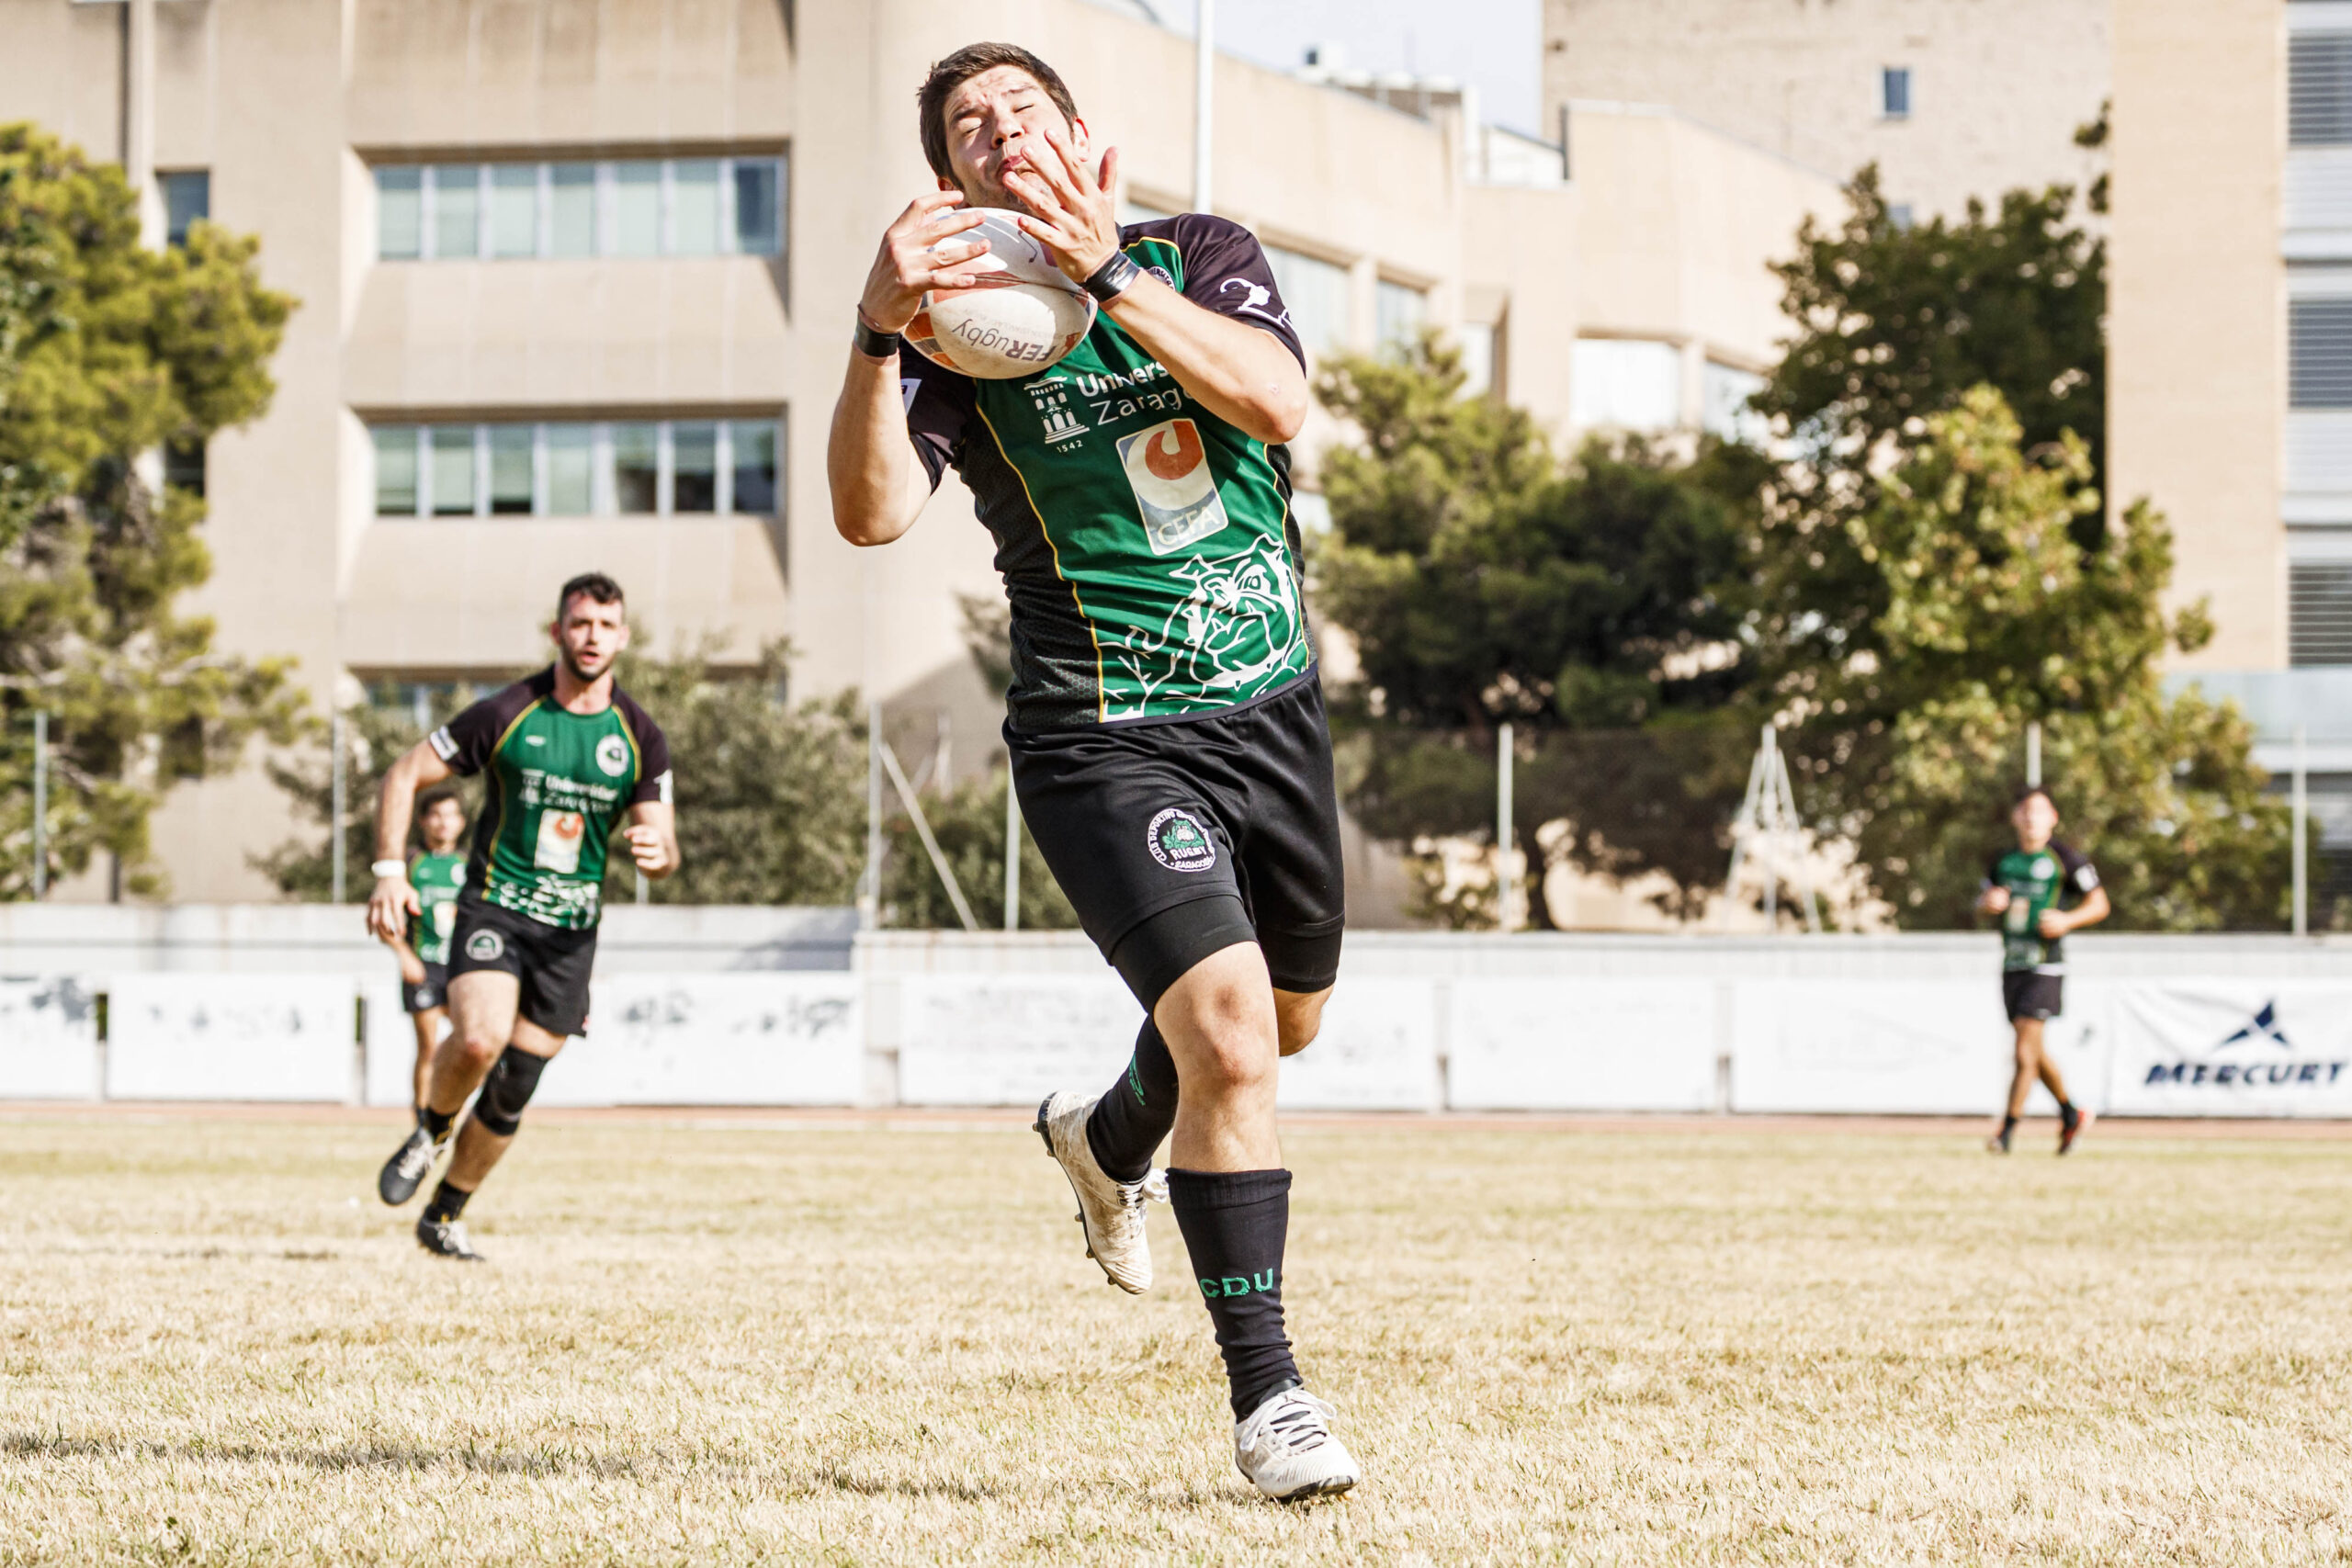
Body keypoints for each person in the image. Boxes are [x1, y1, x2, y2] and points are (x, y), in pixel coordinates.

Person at [826, 41, 1356, 1502]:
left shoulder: (1199, 252)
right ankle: (1274, 1403)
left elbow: (1272, 403)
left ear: (1080, 135)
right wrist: (876, 335)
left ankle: (1104, 1130)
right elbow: (868, 515)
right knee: (1235, 1036)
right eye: (967, 130)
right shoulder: (950, 329)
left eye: (1022, 111)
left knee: (1286, 1024)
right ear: (949, 180)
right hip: (1101, 732)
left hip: (1271, 713)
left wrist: (1114, 273)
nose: (1000, 136)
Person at [366, 572, 677, 1260]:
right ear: (557, 632)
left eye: (604, 625)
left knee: (513, 1087)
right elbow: (404, 773)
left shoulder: (640, 737)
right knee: (477, 1041)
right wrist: (390, 870)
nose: (591, 636)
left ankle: (444, 1215)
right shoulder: (509, 711)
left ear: (622, 637)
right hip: (496, 910)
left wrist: (657, 853)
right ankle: (431, 1128)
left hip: (570, 936)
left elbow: (665, 844)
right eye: (579, 623)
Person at [1978, 784, 2109, 1155]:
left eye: (2040, 811)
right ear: (2015, 818)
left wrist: (2067, 920)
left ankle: (2006, 1133)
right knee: (2034, 1051)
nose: (2032, 818)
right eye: (2025, 811)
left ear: (2053, 818)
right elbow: (1985, 900)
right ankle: (2071, 1114)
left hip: (2045, 965)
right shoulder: (2003, 860)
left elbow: (2099, 904)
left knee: (2023, 1051)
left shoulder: (2067, 860)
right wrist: (1990, 903)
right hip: (2012, 963)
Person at [377, 787, 469, 1119]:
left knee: (471, 1044)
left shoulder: (469, 865)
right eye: (436, 815)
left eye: (451, 815)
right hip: (425, 965)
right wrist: (404, 955)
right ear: (423, 821)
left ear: (461, 822)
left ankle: (452, 1111)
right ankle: (422, 1119)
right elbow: (384, 918)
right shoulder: (410, 864)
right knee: (428, 1046)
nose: (443, 823)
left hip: (462, 968)